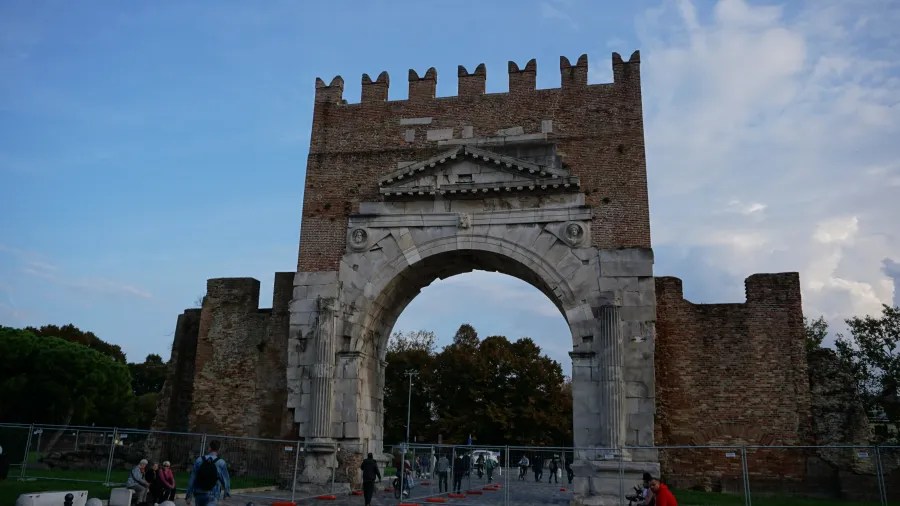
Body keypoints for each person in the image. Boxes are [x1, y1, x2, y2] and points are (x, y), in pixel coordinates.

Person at [186, 440, 231, 506]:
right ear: (218, 449)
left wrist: (188, 496)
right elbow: (225, 480)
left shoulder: (199, 460)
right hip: (213, 494)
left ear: (209, 448)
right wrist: (226, 493)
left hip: (199, 493)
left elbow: (192, 479)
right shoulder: (221, 462)